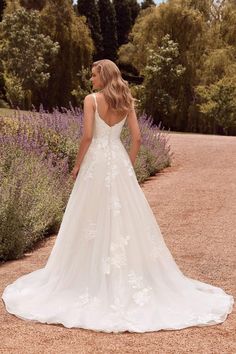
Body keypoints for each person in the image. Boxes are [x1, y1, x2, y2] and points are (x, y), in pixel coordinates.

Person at [2, 59, 234, 333]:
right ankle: (120, 273)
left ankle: (87, 274)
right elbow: (136, 139)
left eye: (94, 75)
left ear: (104, 76)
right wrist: (128, 166)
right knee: (125, 219)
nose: (91, 80)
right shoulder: (127, 102)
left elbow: (88, 136)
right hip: (119, 162)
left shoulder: (91, 100)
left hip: (96, 163)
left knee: (87, 216)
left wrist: (77, 165)